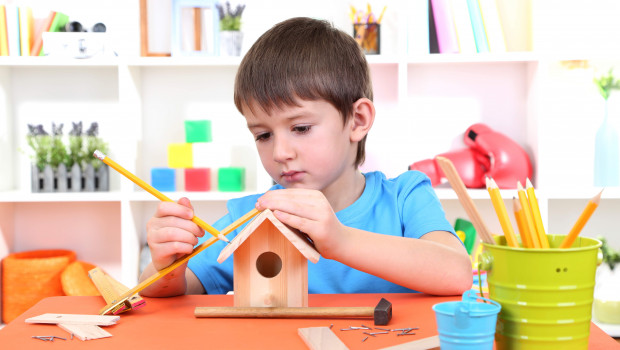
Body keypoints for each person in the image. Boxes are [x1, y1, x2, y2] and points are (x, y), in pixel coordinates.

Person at [139, 17, 472, 297]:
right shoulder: (251, 217)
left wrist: (340, 241)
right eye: (263, 135)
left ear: (357, 120)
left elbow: (457, 274)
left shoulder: (405, 197)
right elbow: (167, 296)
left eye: (300, 128)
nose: (281, 153)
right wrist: (167, 266)